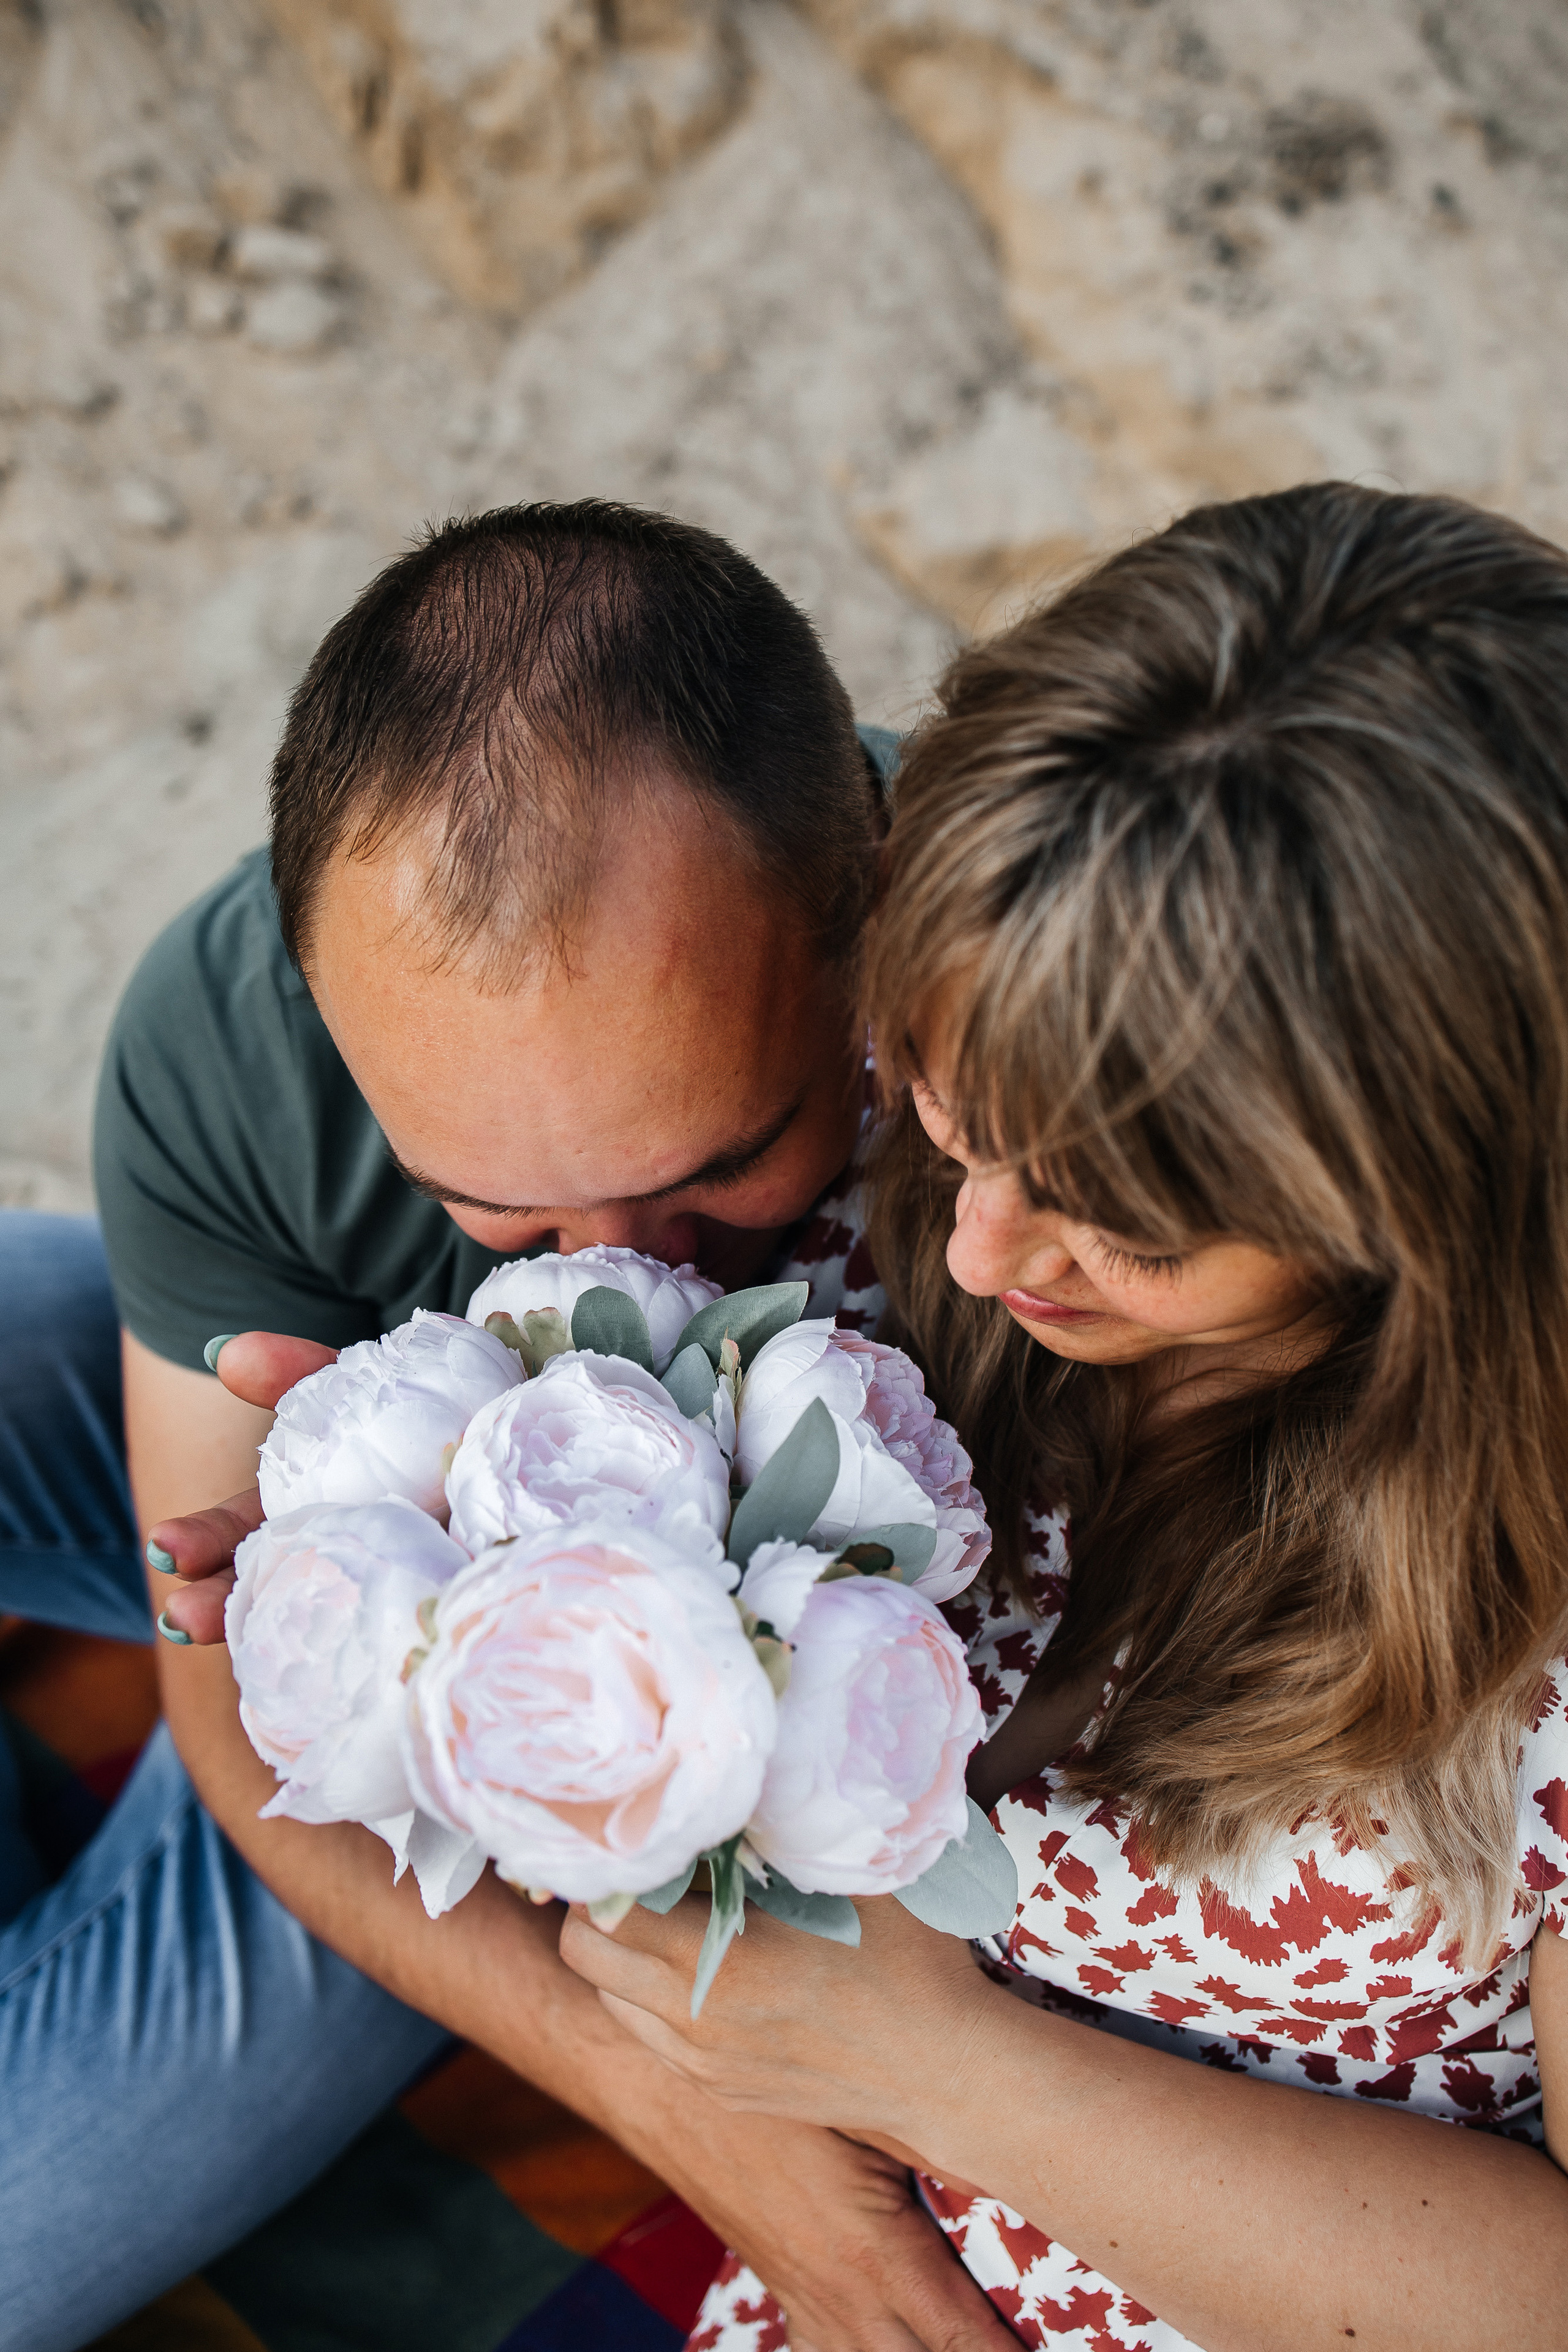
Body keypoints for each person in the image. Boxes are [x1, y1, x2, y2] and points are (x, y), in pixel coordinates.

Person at [556, 483, 1568, 2350]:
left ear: (1442, 1202)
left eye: (1134, 1206)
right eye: (952, 1090)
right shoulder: (891, 1210)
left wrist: (945, 2071)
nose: (989, 1232)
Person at [0, 501, 1013, 2351]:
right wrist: (686, 2117)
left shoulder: (1022, 987)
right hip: (327, 1574)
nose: (618, 1283)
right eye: (499, 1210)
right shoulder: (228, 1031)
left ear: (872, 896)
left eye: (724, 1166)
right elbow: (219, 1698)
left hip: (541, 1784)